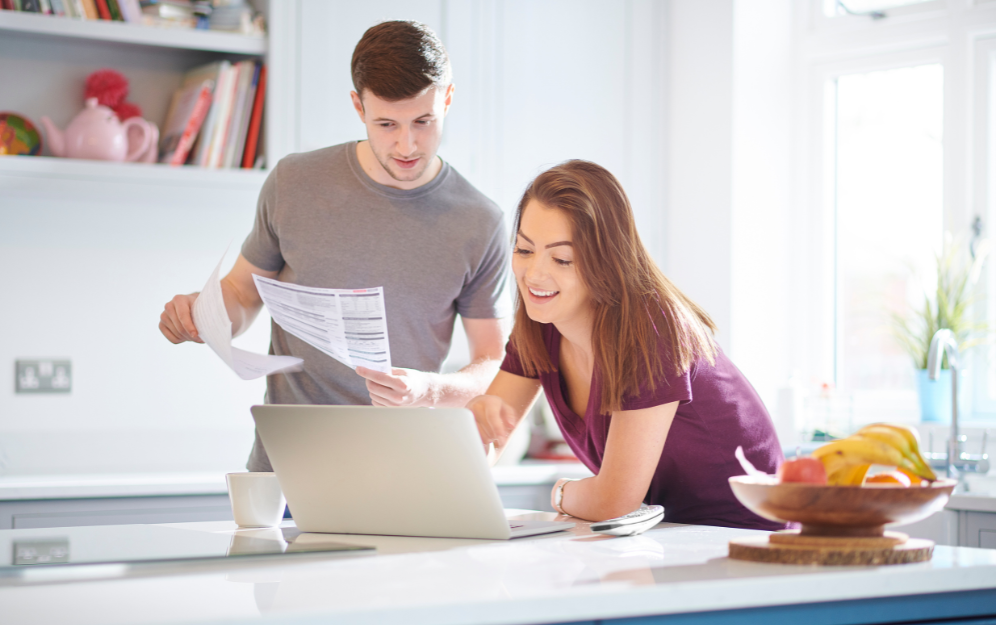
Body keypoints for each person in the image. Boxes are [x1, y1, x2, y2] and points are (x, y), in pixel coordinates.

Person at [159, 21, 511, 472]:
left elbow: (492, 362)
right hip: (289, 464)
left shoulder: (480, 222)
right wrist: (201, 314)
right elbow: (244, 295)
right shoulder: (294, 182)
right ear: (357, 106)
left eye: (424, 122)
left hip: (401, 469)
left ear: (447, 99)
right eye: (386, 124)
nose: (407, 144)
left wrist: (429, 390)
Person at [467, 160, 787, 530]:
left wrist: (560, 493)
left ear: (606, 261)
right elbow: (482, 453)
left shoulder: (650, 329)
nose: (534, 274)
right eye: (524, 250)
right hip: (665, 535)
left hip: (741, 536)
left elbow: (614, 500)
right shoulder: (542, 323)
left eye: (562, 258)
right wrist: (475, 427)